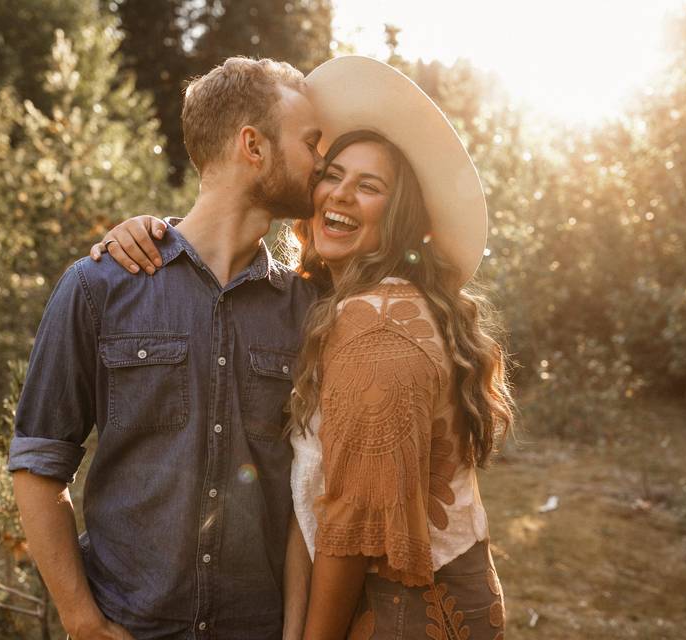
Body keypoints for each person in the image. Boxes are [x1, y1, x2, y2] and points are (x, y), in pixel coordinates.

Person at [96, 56, 515, 640]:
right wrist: (153, 233)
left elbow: (351, 530)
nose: (338, 193)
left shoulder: (377, 325)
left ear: (402, 216)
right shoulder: (328, 306)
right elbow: (312, 498)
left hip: (402, 616)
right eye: (332, 172)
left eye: (369, 186)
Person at [8, 57, 323, 640]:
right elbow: (38, 465)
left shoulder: (308, 311)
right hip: (130, 626)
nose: (321, 162)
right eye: (310, 143)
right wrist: (83, 622)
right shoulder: (99, 286)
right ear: (253, 146)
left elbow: (310, 499)